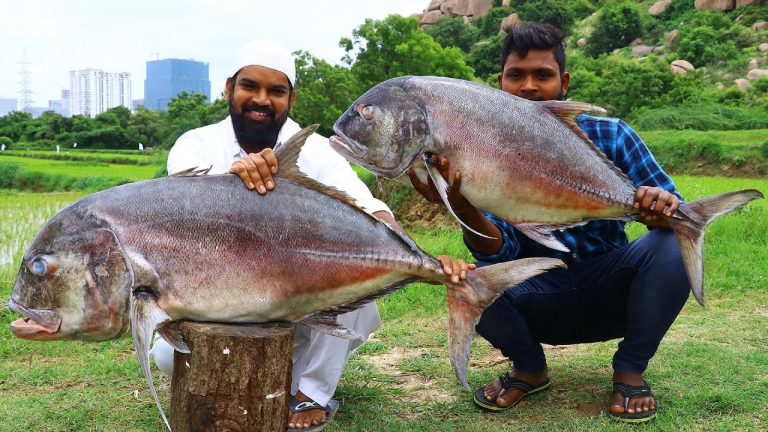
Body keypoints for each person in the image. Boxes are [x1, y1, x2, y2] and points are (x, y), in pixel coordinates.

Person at [153, 40, 473, 431]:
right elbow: (179, 212)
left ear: (291, 98)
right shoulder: (195, 144)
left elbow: (371, 209)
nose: (261, 99)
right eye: (249, 86)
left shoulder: (319, 151)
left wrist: (419, 257)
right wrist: (228, 182)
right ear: (228, 90)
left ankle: (311, 394)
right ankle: (277, 376)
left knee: (358, 302)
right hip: (217, 296)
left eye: (276, 91)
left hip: (298, 296)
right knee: (169, 357)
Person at [408, 23, 689, 423]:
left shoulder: (612, 134)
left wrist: (660, 205)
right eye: (515, 75)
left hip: (612, 288)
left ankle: (630, 368)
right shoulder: (475, 148)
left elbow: (674, 210)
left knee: (671, 242)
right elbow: (497, 250)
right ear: (499, 83)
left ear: (564, 81)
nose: (528, 87)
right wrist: (464, 207)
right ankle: (529, 368)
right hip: (538, 291)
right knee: (471, 283)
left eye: (542, 75)